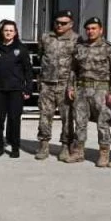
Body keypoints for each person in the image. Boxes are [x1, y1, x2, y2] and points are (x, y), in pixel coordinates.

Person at [66, 18, 111, 167]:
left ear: (101, 30)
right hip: (82, 89)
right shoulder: (80, 47)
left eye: (94, 28)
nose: (90, 31)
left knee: (103, 122)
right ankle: (78, 151)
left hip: (101, 89)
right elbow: (73, 69)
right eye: (88, 29)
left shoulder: (109, 48)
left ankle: (104, 153)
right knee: (80, 121)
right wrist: (71, 87)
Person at [0, 19, 33, 158]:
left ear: (15, 32)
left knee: (14, 119)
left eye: (11, 31)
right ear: (1, 31)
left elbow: (28, 70)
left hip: (16, 90)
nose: (8, 33)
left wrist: (28, 88)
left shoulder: (21, 48)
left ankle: (15, 147)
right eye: (6, 30)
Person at [37, 10, 79, 160]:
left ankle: (66, 146)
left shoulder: (76, 40)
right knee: (44, 115)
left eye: (64, 23)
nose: (60, 25)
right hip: (47, 83)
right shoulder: (45, 37)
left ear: (71, 24)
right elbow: (41, 55)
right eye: (57, 22)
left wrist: (72, 86)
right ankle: (44, 145)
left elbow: (77, 64)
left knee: (67, 117)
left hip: (65, 84)